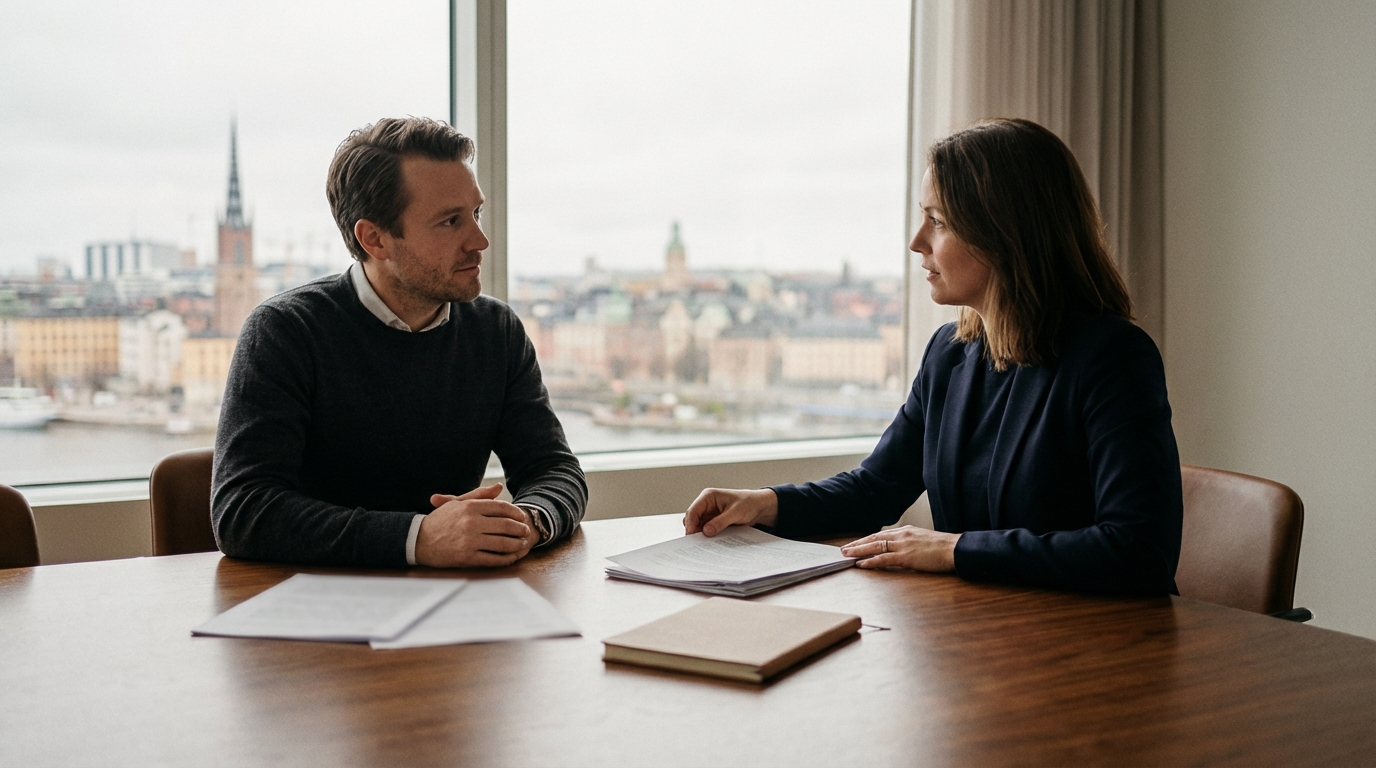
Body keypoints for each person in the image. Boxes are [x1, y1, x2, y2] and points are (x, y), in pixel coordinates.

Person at [685, 118, 1181, 596]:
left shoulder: (1114, 358)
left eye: (937, 221)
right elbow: (873, 490)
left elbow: (1138, 551)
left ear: (1005, 234)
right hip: (984, 636)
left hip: (1097, 645)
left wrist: (954, 550)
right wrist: (762, 504)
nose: (916, 242)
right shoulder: (950, 355)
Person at [212, 117, 586, 568]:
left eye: (476, 213)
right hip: (315, 613)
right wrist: (418, 538)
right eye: (450, 222)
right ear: (375, 239)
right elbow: (242, 512)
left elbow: (554, 470)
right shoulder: (284, 331)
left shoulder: (495, 330)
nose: (480, 241)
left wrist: (528, 521)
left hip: (461, 607)